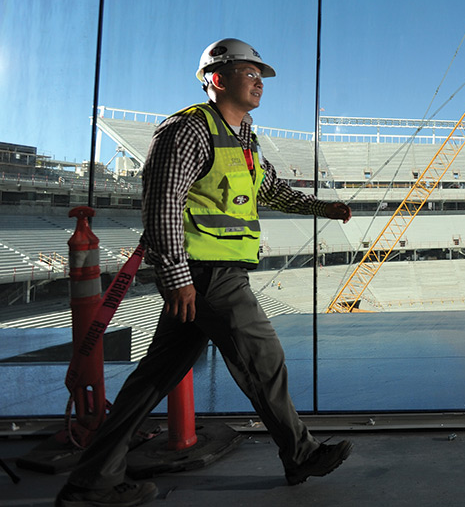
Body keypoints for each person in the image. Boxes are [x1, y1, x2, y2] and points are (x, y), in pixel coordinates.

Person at [56, 38, 353, 507]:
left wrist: (324, 207)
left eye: (261, 75)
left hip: (208, 274)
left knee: (154, 377)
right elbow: (162, 203)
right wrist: (176, 276)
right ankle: (300, 454)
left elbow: (270, 191)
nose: (258, 81)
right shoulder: (188, 130)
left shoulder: (244, 137)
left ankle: (92, 479)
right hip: (205, 274)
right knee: (265, 360)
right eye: (247, 72)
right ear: (216, 78)